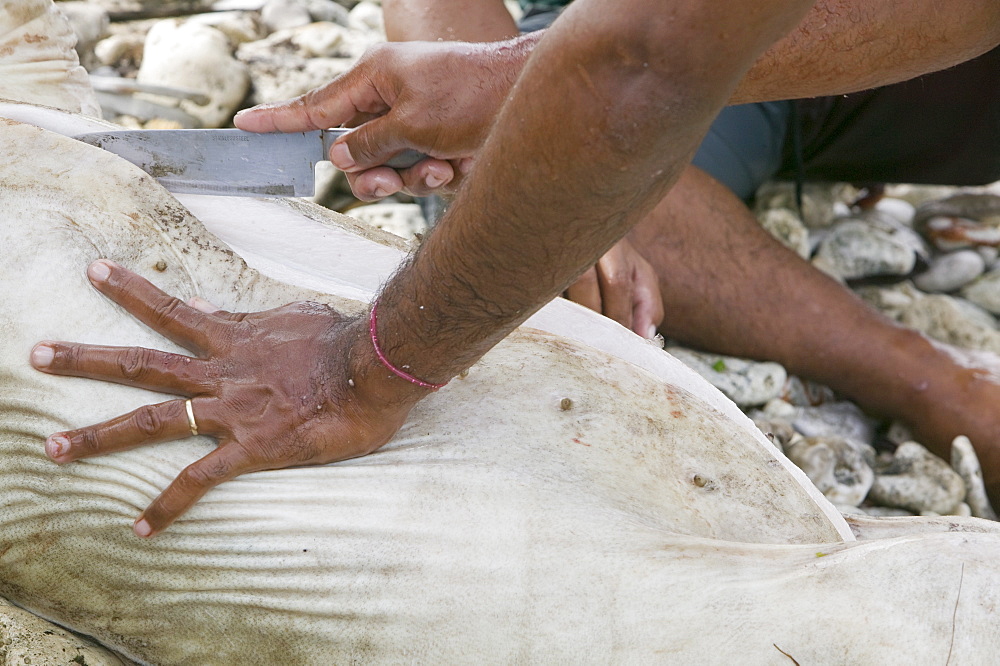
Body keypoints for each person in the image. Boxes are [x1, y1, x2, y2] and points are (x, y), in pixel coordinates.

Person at [30, 0, 1000, 537]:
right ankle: (923, 378)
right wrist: (526, 97)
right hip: (670, 33)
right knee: (587, 166)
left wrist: (360, 370)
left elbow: (642, 60)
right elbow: (612, 53)